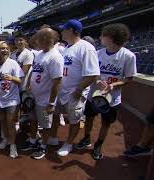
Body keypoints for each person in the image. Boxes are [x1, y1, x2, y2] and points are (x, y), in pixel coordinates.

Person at [75, 23, 137, 160]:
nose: (100, 37)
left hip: (112, 98)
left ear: (111, 38)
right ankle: (86, 138)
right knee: (89, 118)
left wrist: (115, 84)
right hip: (93, 95)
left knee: (106, 123)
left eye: (104, 35)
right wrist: (96, 80)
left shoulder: (128, 56)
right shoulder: (98, 54)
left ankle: (98, 145)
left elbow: (129, 78)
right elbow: (93, 72)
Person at [50, 19, 100, 157]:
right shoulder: (67, 48)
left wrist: (79, 90)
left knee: (74, 120)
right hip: (62, 91)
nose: (61, 32)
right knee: (55, 114)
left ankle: (69, 143)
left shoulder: (86, 47)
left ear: (71, 30)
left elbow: (92, 74)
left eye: (64, 29)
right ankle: (53, 137)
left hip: (75, 92)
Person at [22, 28, 64, 160]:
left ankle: (43, 146)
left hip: (45, 99)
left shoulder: (55, 57)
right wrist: (29, 83)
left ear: (46, 39)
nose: (36, 41)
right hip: (34, 96)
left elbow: (57, 81)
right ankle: (33, 140)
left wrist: (52, 103)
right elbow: (34, 71)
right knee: (33, 120)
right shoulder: (40, 54)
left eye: (39, 38)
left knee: (46, 125)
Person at [0, 41, 24, 158]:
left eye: (6, 48)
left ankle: (13, 145)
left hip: (12, 99)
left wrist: (12, 78)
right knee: (3, 122)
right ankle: (5, 139)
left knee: (11, 123)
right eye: (2, 48)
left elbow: (20, 81)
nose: (5, 50)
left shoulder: (13, 63)